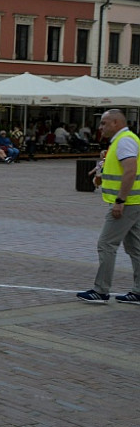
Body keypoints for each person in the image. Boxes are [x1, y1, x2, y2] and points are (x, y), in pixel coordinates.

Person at [78, 109, 140, 304]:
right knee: (135, 248)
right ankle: (138, 291)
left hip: (127, 203)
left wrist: (120, 201)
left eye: (104, 123)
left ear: (115, 123)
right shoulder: (124, 140)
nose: (100, 127)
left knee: (106, 244)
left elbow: (130, 170)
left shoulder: (124, 141)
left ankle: (101, 290)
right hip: (134, 202)